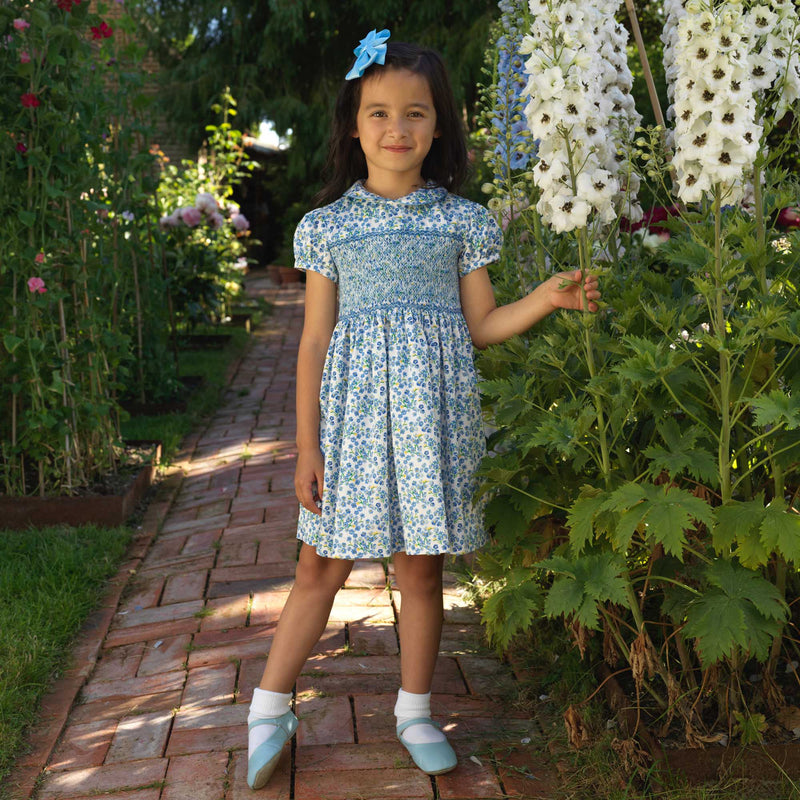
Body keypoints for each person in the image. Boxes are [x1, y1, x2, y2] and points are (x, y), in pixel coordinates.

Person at [246, 28, 601, 791]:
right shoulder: (328, 226)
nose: (397, 128)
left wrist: (543, 298)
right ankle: (270, 706)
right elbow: (313, 344)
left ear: (440, 126)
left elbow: (482, 326)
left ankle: (414, 710)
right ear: (352, 124)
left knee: (420, 568)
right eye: (378, 113)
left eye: (415, 113)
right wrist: (306, 447)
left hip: (432, 419)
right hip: (352, 421)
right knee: (321, 562)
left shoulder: (462, 220)